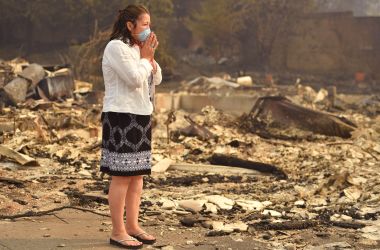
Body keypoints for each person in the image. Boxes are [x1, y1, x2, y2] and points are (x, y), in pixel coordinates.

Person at [99, 4, 162, 249]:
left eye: (149, 24)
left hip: (141, 114)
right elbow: (135, 79)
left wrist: (150, 58)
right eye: (145, 24)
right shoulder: (116, 48)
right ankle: (117, 231)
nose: (149, 29)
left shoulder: (139, 48)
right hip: (120, 116)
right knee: (121, 176)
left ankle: (133, 226)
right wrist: (146, 59)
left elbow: (156, 77)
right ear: (130, 25)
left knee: (137, 177)